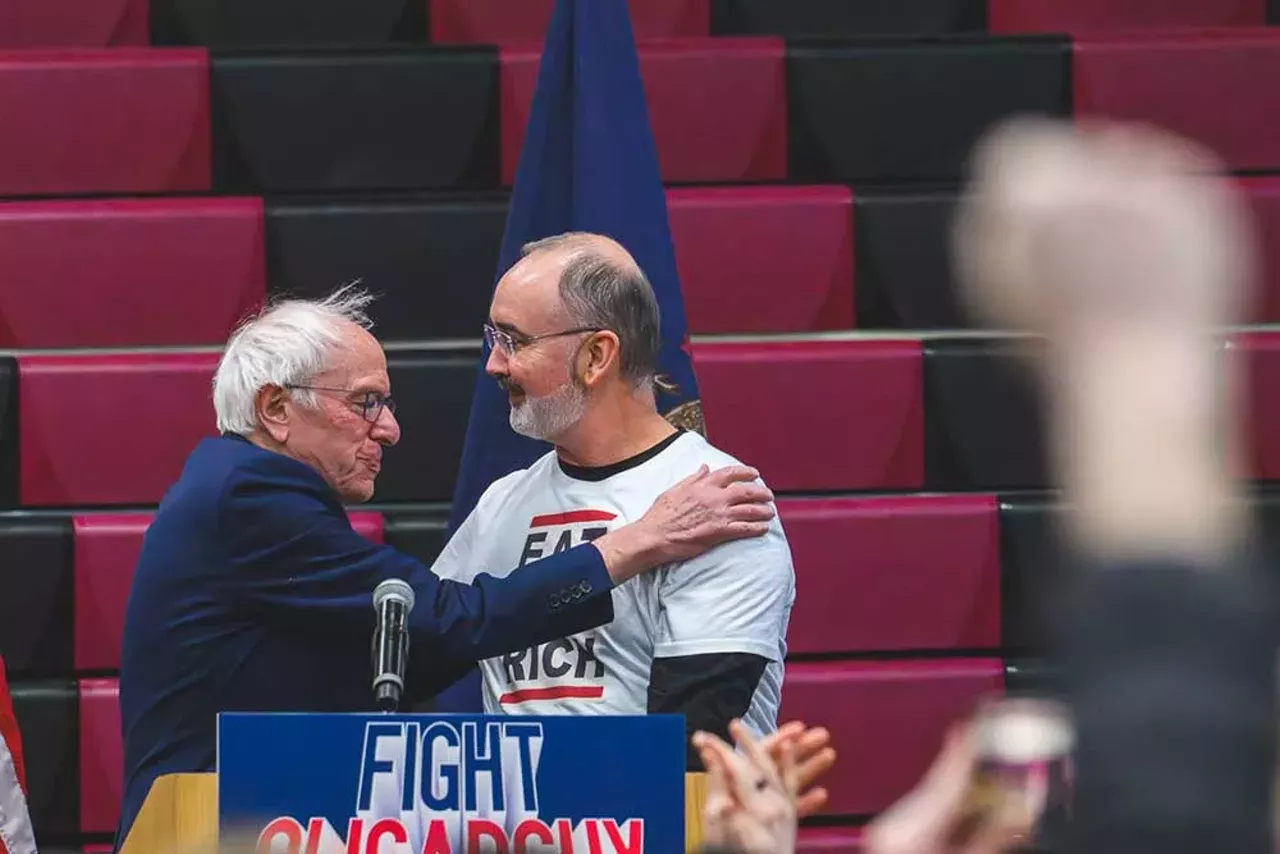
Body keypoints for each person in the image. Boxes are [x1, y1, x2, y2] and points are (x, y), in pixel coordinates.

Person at [114, 286, 777, 848]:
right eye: (366, 402)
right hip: (208, 825)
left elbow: (408, 654)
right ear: (276, 410)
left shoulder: (238, 491)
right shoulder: (251, 496)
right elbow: (441, 622)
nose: (391, 429)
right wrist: (630, 544)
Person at [431, 232, 796, 765]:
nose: (494, 365)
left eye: (514, 341)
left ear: (596, 355)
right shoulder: (502, 502)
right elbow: (423, 644)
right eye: (494, 339)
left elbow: (695, 740)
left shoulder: (719, 500)